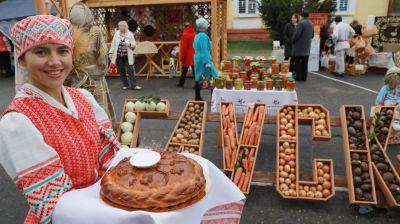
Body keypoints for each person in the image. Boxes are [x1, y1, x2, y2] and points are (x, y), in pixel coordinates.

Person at [0, 15, 118, 223]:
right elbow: (55, 204)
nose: (54, 62)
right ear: (22, 59)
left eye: (62, 51)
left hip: (105, 206)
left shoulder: (83, 98)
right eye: (40, 52)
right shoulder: (17, 122)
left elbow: (109, 158)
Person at [67, 2, 117, 128]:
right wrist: (100, 72)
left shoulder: (71, 31)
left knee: (82, 111)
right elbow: (102, 58)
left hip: (76, 80)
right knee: (96, 111)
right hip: (93, 80)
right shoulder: (93, 31)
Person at [109, 21, 141, 90]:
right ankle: (126, 84)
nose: (120, 27)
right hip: (118, 55)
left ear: (125, 27)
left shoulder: (130, 34)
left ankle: (134, 85)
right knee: (121, 70)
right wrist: (111, 53)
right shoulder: (117, 33)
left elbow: (134, 44)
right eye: (119, 26)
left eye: (122, 26)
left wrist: (128, 44)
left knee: (130, 69)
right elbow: (113, 43)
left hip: (127, 55)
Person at [193, 18, 218, 101]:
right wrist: (207, 62)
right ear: (204, 27)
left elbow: (195, 46)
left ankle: (197, 96)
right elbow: (205, 50)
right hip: (203, 59)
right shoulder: (204, 36)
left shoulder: (197, 35)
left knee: (198, 76)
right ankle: (213, 97)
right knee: (212, 76)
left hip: (198, 57)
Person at [375, 66, 400, 144]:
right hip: (387, 108)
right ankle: (392, 127)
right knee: (388, 103)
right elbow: (379, 99)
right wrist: (379, 105)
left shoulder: (399, 88)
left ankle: (396, 128)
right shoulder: (385, 88)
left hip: (397, 106)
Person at [291, 10, 314, 81]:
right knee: (304, 64)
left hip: (299, 47)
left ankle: (298, 77)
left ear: (301, 16)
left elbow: (296, 35)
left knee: (297, 63)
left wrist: (292, 40)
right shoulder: (311, 23)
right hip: (307, 47)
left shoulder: (301, 23)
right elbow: (312, 35)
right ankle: (304, 77)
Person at [177, 22, 196, 87]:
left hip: (187, 55)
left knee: (184, 70)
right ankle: (197, 84)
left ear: (185, 27)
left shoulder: (185, 34)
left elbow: (183, 48)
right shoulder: (194, 33)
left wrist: (182, 57)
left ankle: (181, 83)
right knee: (195, 71)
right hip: (194, 54)